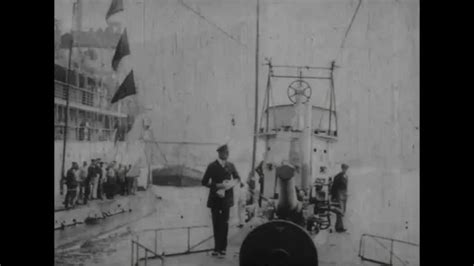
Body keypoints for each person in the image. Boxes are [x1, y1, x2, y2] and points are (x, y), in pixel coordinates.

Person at [202, 143, 241, 257]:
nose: (227, 154)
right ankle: (216, 248)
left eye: (228, 152)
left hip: (226, 200)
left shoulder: (231, 165)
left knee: (224, 224)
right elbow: (204, 182)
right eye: (225, 152)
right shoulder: (212, 166)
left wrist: (231, 184)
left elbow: (238, 178)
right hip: (215, 199)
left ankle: (223, 249)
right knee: (216, 224)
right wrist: (217, 186)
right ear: (219, 153)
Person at [330, 163, 349, 233]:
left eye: (346, 168)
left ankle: (338, 226)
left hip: (344, 194)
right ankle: (339, 227)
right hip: (339, 194)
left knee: (342, 211)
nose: (345, 170)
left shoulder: (346, 176)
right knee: (340, 211)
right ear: (342, 168)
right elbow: (334, 187)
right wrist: (333, 196)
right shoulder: (338, 176)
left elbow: (346, 186)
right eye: (344, 168)